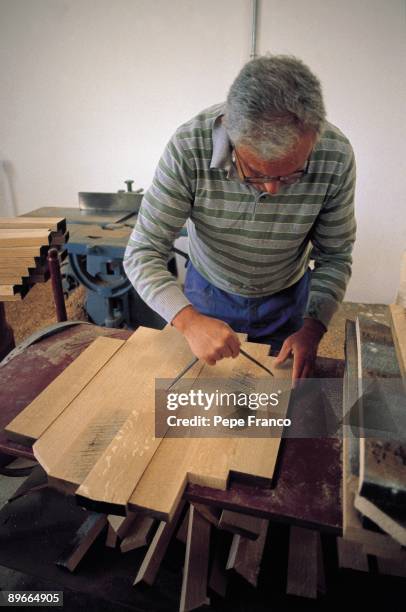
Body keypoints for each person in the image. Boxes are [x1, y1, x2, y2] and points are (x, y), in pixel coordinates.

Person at [123, 55, 356, 381]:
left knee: (276, 408)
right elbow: (142, 252)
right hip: (208, 293)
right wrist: (189, 322)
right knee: (201, 406)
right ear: (231, 139)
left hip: (288, 300)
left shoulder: (335, 154)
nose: (274, 190)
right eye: (257, 173)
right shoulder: (189, 147)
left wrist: (313, 327)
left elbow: (335, 255)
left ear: (314, 138)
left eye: (292, 175)